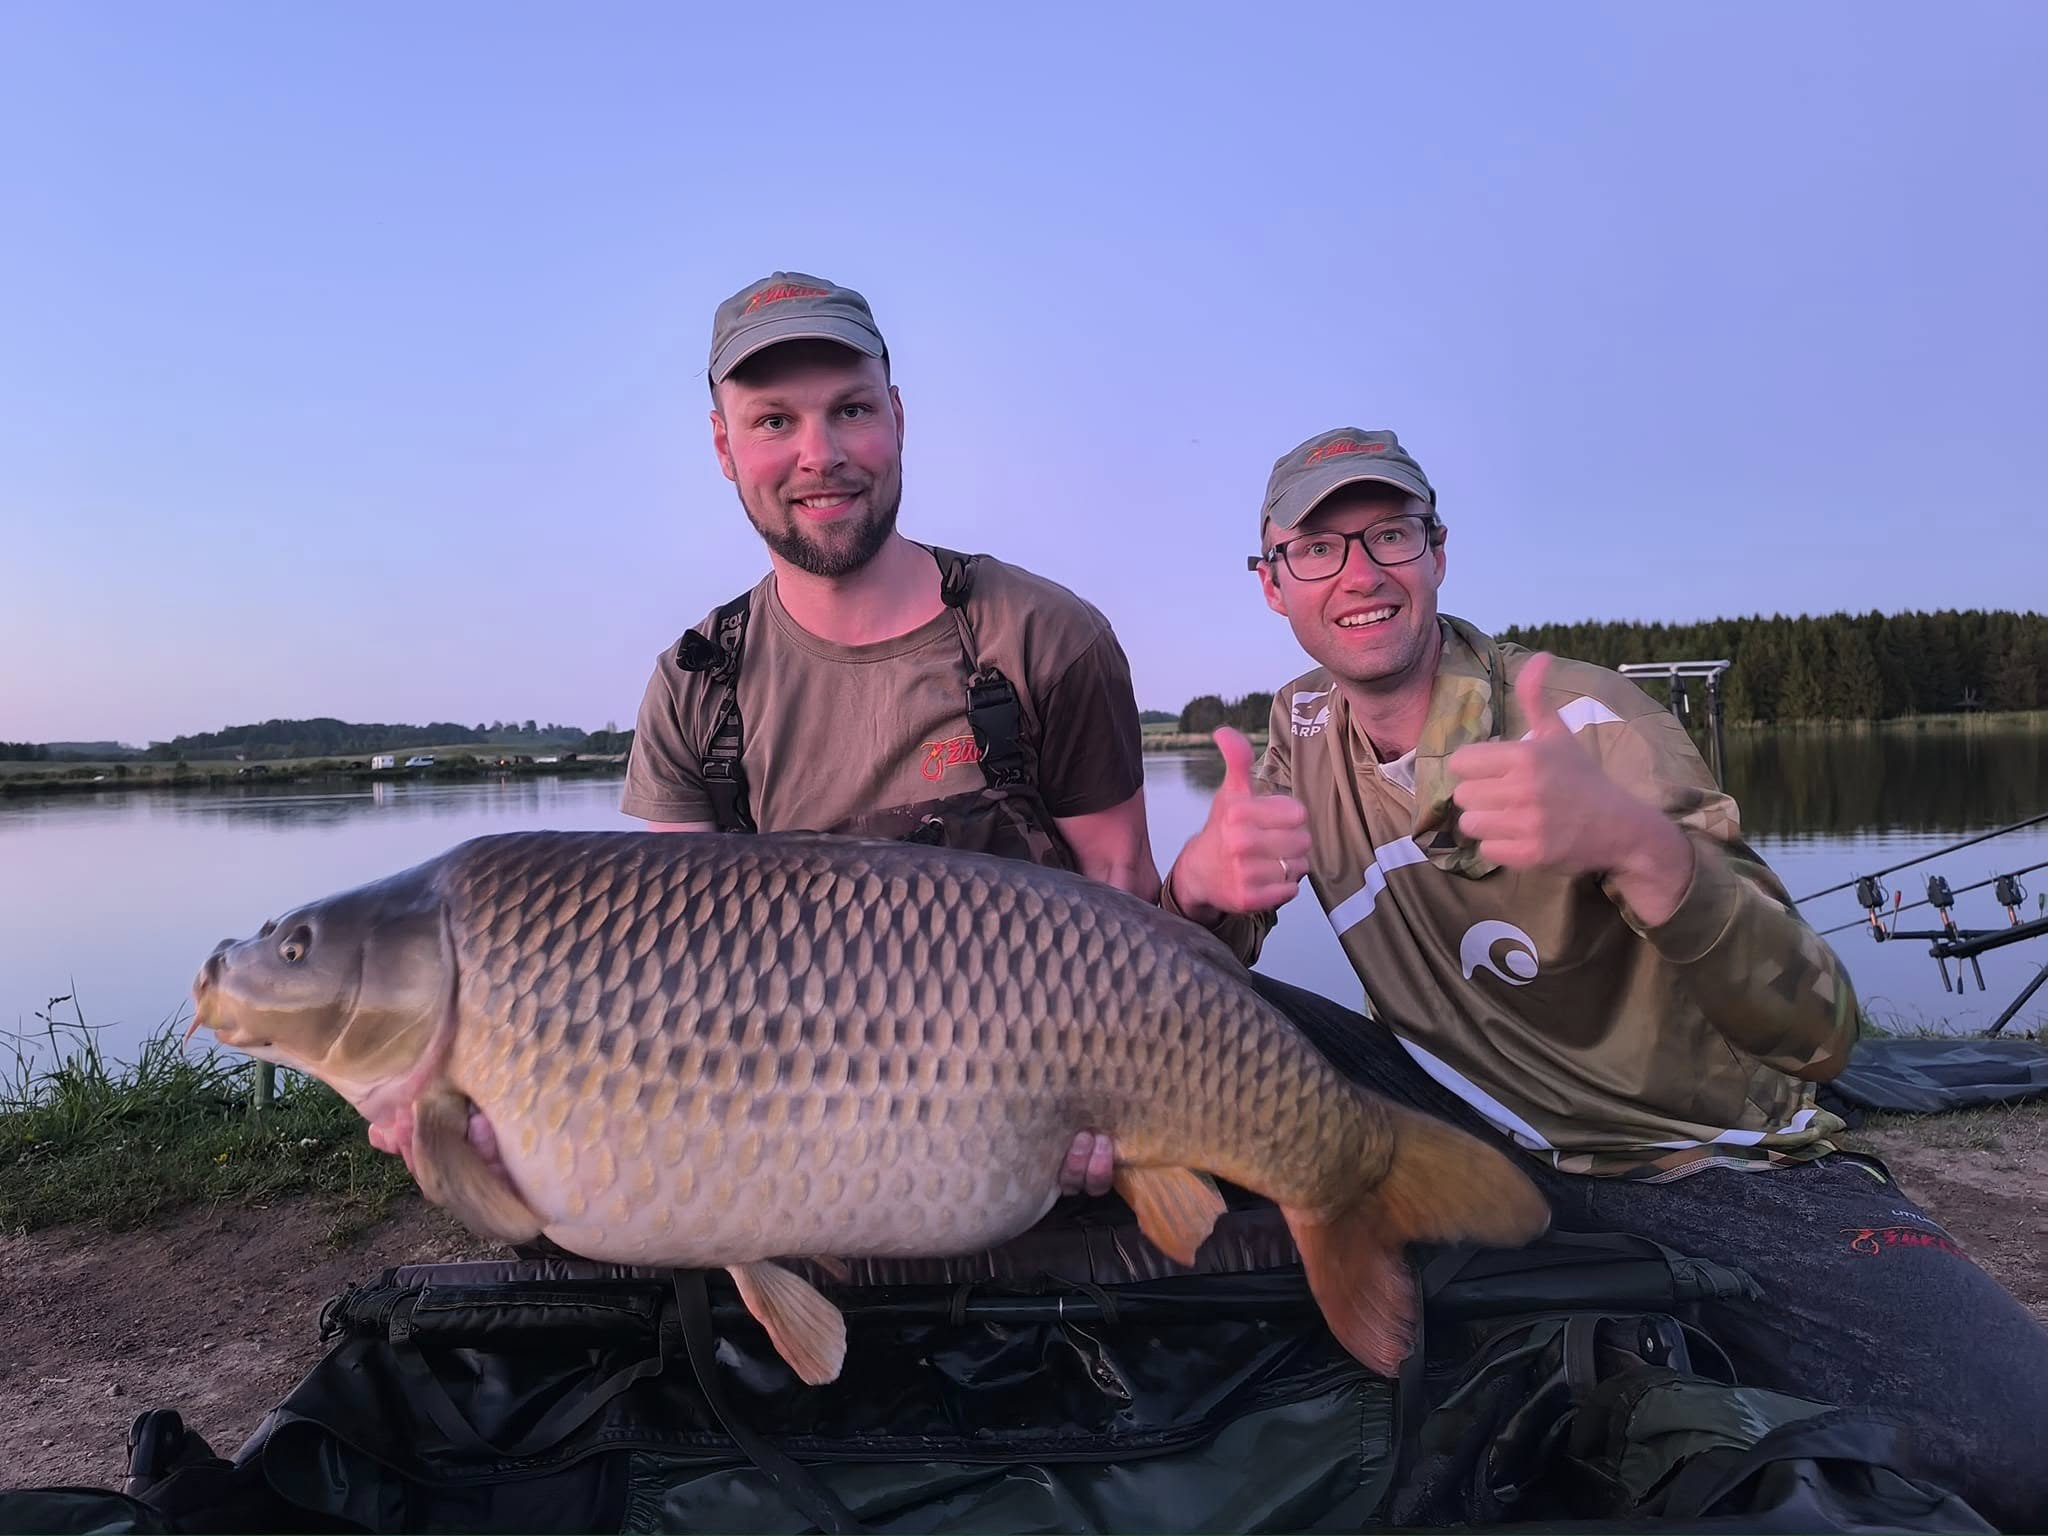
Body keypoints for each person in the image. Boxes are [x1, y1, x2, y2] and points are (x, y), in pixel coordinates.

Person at [1152, 425, 2048, 1529]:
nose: (1358, 574)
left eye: (1387, 535)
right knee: (1188, 1020)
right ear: (1272, 584)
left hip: (1696, 1162)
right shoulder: (1296, 725)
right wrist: (1196, 893)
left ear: (1436, 552)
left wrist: (1641, 849)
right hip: (1444, 1110)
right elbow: (1209, 944)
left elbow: (1818, 1033)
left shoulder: (1590, 722)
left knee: (2023, 1445)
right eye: (1316, 548)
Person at [620, 268, 1154, 1196]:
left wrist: (1106, 1107)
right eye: (774, 421)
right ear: (723, 446)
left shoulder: (1045, 636)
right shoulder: (694, 686)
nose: (820, 454)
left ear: (897, 419)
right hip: (805, 1142)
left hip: (1036, 1116)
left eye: (852, 410)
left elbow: (1124, 897)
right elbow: (680, 985)